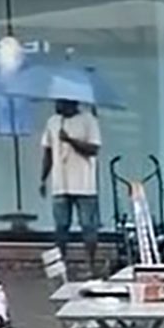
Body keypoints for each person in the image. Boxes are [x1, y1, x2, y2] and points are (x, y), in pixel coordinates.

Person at [40, 98, 102, 275]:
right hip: (61, 184)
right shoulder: (52, 122)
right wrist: (43, 179)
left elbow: (94, 149)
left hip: (84, 184)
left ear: (71, 103)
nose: (56, 105)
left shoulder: (89, 120)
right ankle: (62, 265)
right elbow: (48, 152)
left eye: (60, 102)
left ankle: (91, 265)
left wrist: (70, 140)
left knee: (88, 226)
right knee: (61, 226)